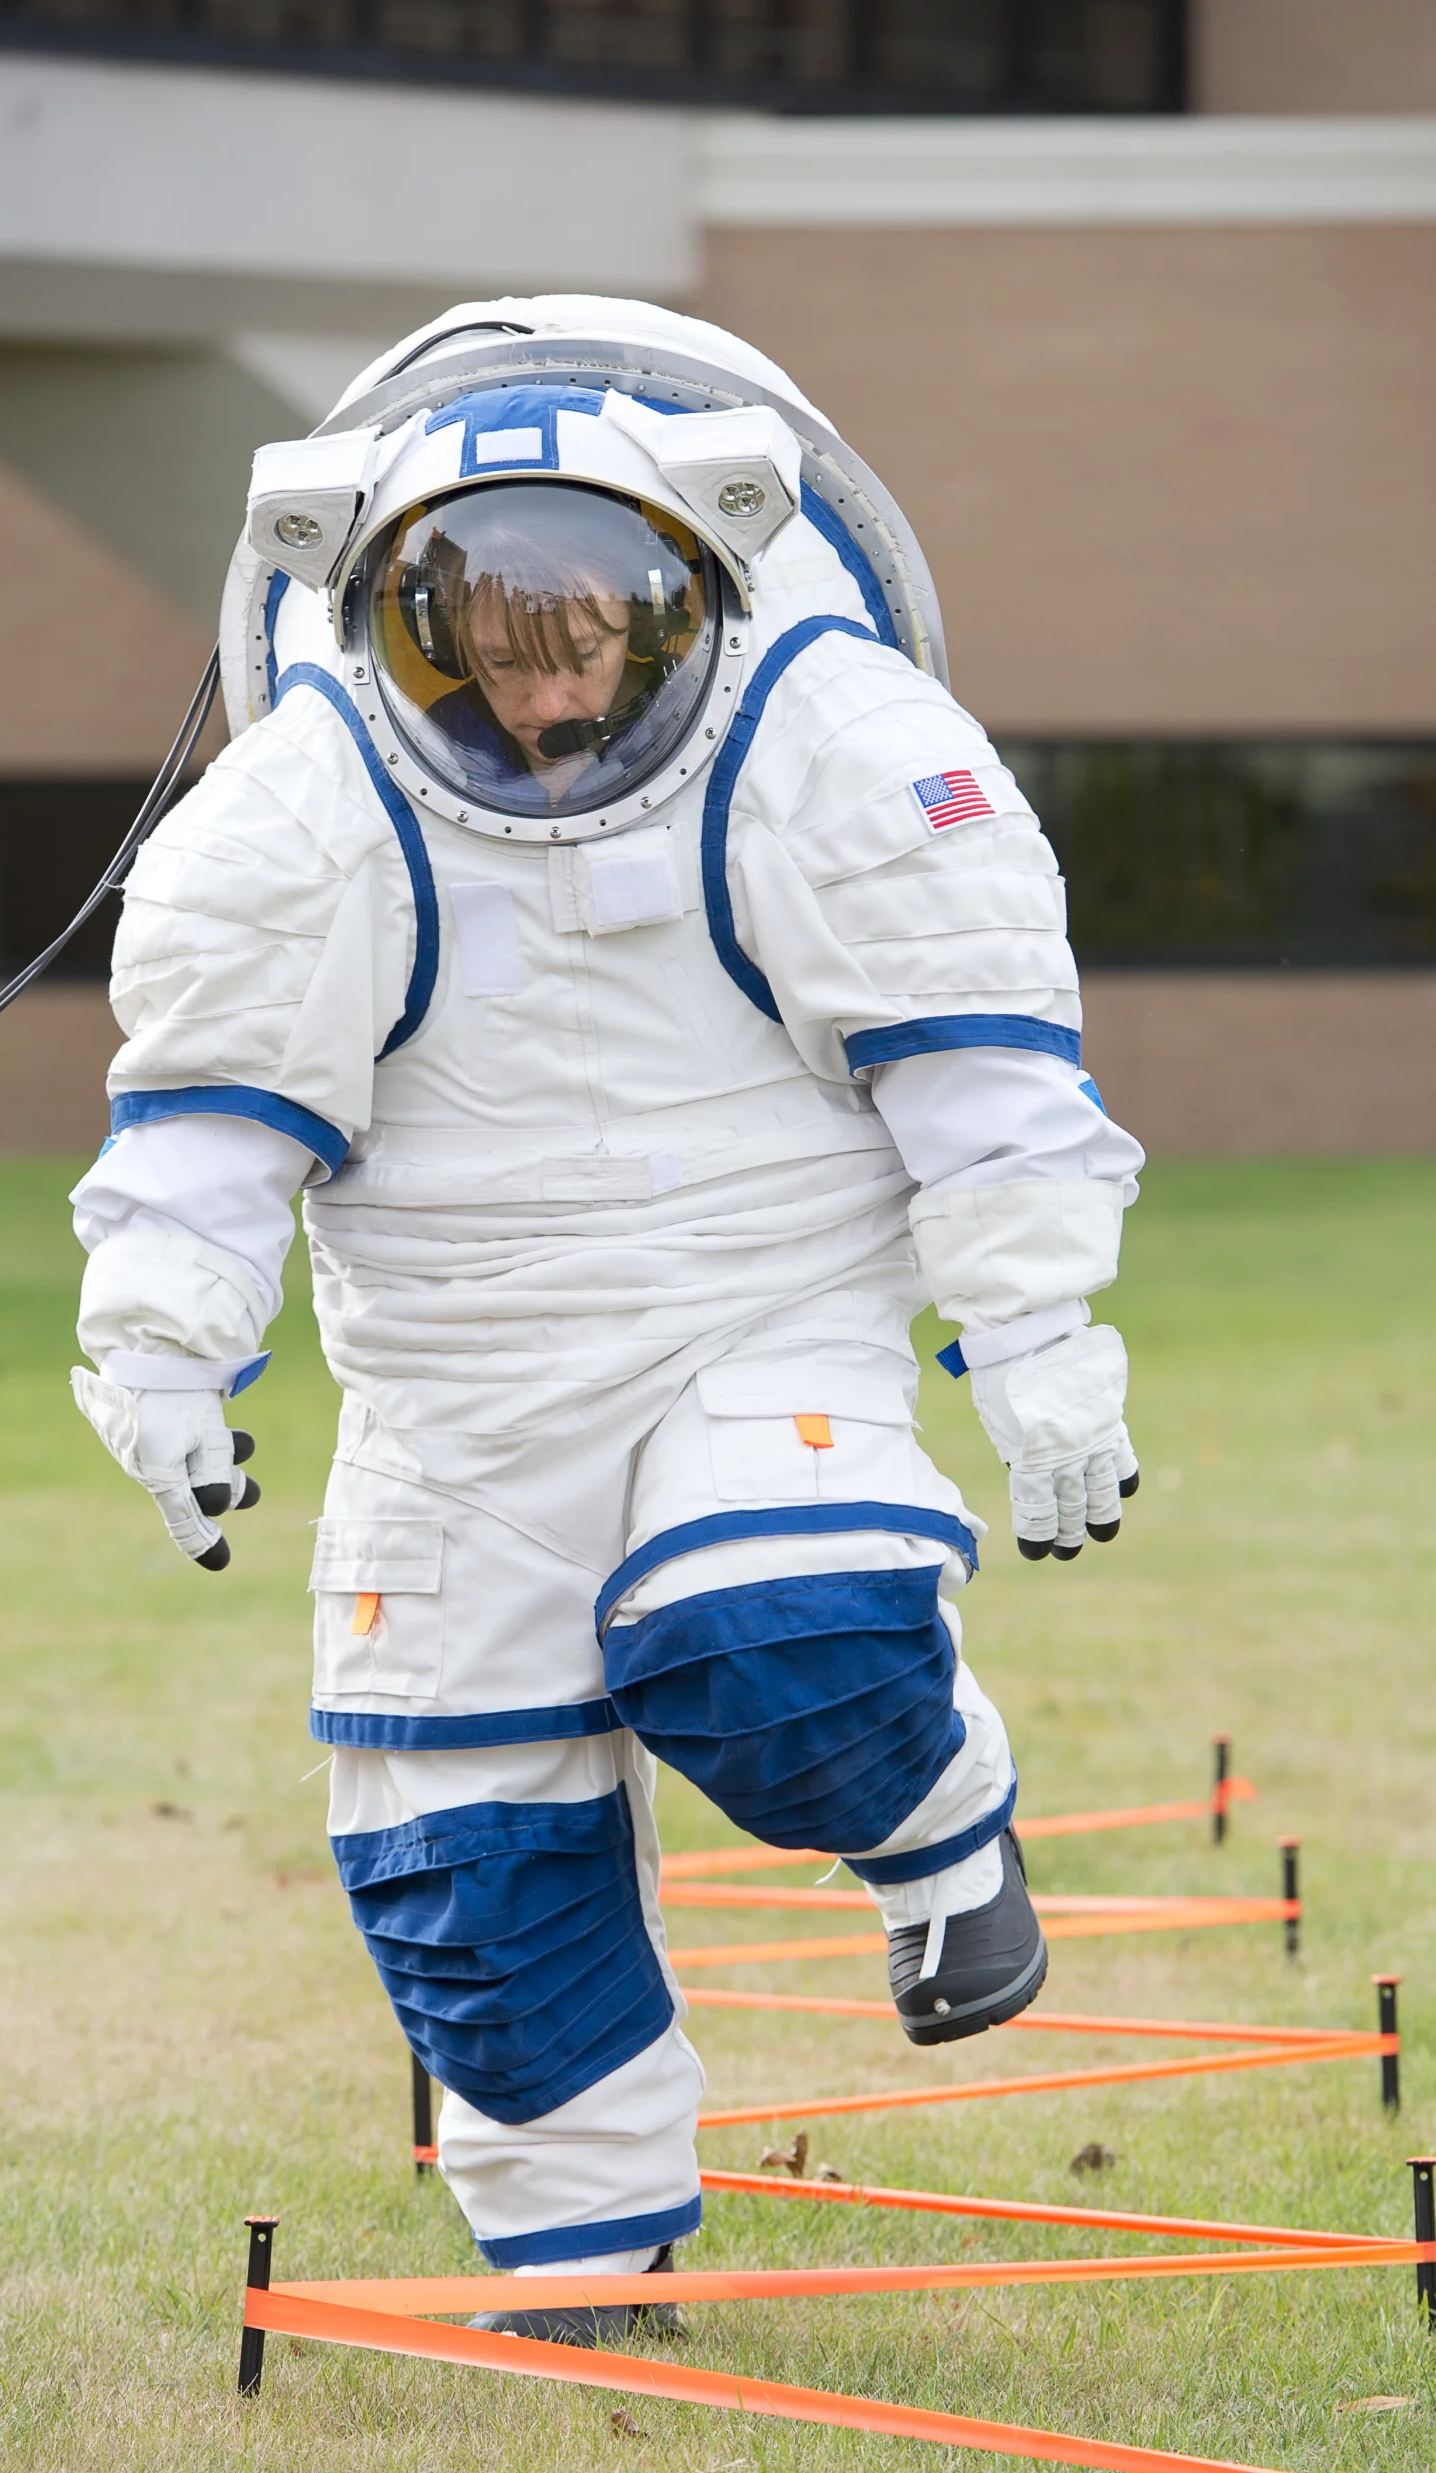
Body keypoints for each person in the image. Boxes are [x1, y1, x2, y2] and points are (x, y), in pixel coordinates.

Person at [68, 296, 1144, 2342]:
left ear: (678, 598)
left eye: (581, 643)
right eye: (490, 644)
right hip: (455, 1388)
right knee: (456, 1857)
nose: (542, 697)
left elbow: (988, 1087)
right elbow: (207, 1119)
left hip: (756, 1305)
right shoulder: (306, 802)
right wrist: (156, 1342)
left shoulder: (826, 738)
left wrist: (1041, 1350)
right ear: (404, 623)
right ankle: (588, 2264)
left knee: (789, 1647)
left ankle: (936, 1835)